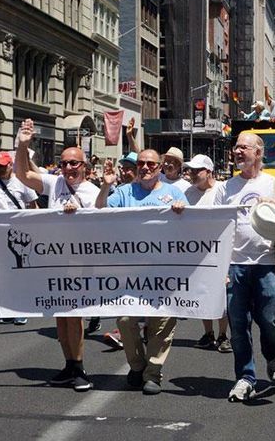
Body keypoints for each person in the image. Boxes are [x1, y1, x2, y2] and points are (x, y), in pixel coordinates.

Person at [215, 132, 275, 402]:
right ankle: (245, 377)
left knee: (270, 321)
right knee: (238, 325)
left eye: (243, 147)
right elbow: (211, 227)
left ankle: (272, 355)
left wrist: (273, 204)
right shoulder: (224, 188)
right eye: (236, 147)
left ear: (258, 153)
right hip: (234, 267)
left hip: (267, 265)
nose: (237, 151)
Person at [15, 121, 100, 392]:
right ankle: (68, 364)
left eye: (74, 164)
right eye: (64, 163)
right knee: (60, 316)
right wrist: (23, 144)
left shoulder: (94, 192)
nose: (69, 168)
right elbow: (21, 174)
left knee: (74, 316)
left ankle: (80, 368)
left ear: (84, 166)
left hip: (79, 261)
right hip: (53, 260)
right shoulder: (55, 183)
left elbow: (104, 229)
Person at [96, 149, 187, 395]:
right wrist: (105, 187)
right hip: (129, 272)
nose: (145, 167)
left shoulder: (174, 193)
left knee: (162, 321)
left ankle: (153, 373)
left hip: (164, 271)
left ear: (160, 167)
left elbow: (192, 228)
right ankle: (137, 365)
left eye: (151, 164)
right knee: (125, 319)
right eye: (141, 164)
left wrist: (183, 212)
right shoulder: (124, 192)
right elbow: (100, 212)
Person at [183, 154, 231, 353]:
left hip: (218, 251)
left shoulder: (223, 189)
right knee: (202, 292)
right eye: (191, 171)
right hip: (197, 252)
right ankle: (208, 333)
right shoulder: (188, 193)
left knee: (220, 294)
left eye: (197, 171)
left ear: (209, 172)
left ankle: (223, 335)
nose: (192, 174)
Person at [0, 150, 38, 326]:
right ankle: (7, 308)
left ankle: (22, 308)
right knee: (3, 273)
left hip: (20, 233)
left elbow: (33, 205)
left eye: (2, 166)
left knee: (20, 271)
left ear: (10, 165)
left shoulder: (22, 182)